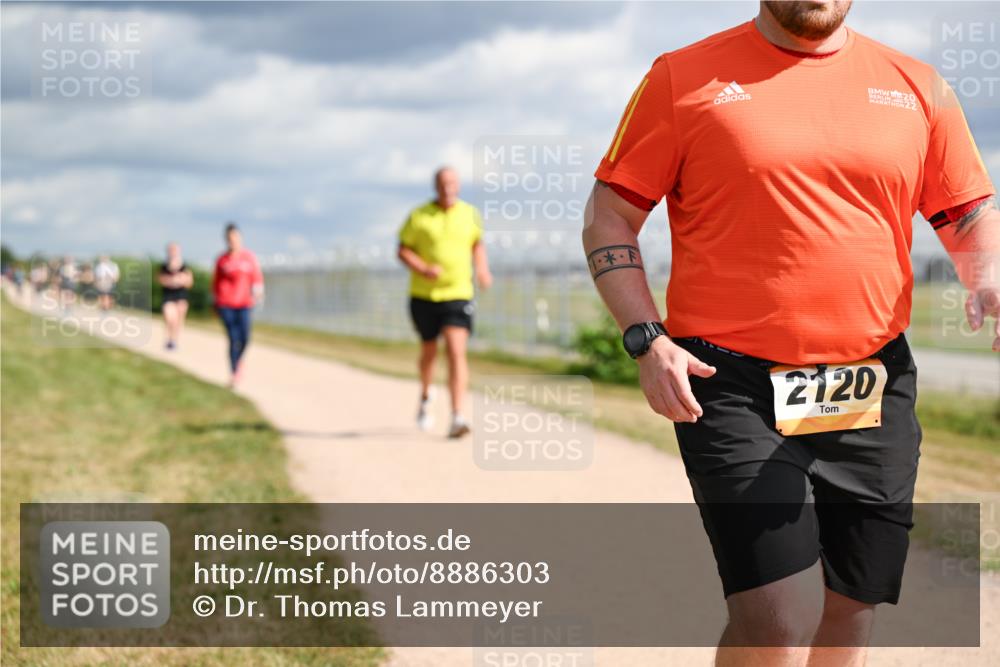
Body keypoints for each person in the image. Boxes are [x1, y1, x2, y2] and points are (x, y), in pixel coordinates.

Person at [583, 1, 998, 665]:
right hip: (730, 383)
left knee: (849, 611)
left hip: (868, 382)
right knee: (778, 618)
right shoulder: (682, 78)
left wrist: (986, 275)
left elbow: (970, 211)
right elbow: (611, 213)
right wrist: (645, 336)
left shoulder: (918, 85)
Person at [398, 167, 492, 438]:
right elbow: (403, 249)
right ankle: (426, 396)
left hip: (458, 293)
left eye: (452, 183)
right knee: (429, 352)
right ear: (436, 186)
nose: (448, 188)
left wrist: (483, 269)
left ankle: (457, 416)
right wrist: (423, 268)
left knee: (455, 351)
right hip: (424, 296)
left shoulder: (470, 214)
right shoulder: (419, 216)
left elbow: (477, 244)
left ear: (458, 185)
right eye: (443, 183)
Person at [212, 223, 264, 387]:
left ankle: (239, 360)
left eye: (236, 237)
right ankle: (234, 372)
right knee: (233, 338)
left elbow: (256, 277)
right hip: (226, 304)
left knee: (246, 338)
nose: (233, 240)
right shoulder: (222, 260)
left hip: (245, 304)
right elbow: (216, 282)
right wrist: (214, 302)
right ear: (226, 240)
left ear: (240, 238)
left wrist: (258, 292)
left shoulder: (249, 257)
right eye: (230, 238)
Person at [158, 243, 194, 350]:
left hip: (181, 296)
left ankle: (174, 340)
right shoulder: (164, 266)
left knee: (178, 319)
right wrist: (171, 281)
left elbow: (190, 282)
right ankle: (169, 337)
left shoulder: (184, 266)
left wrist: (182, 280)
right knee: (170, 318)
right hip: (168, 296)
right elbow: (160, 279)